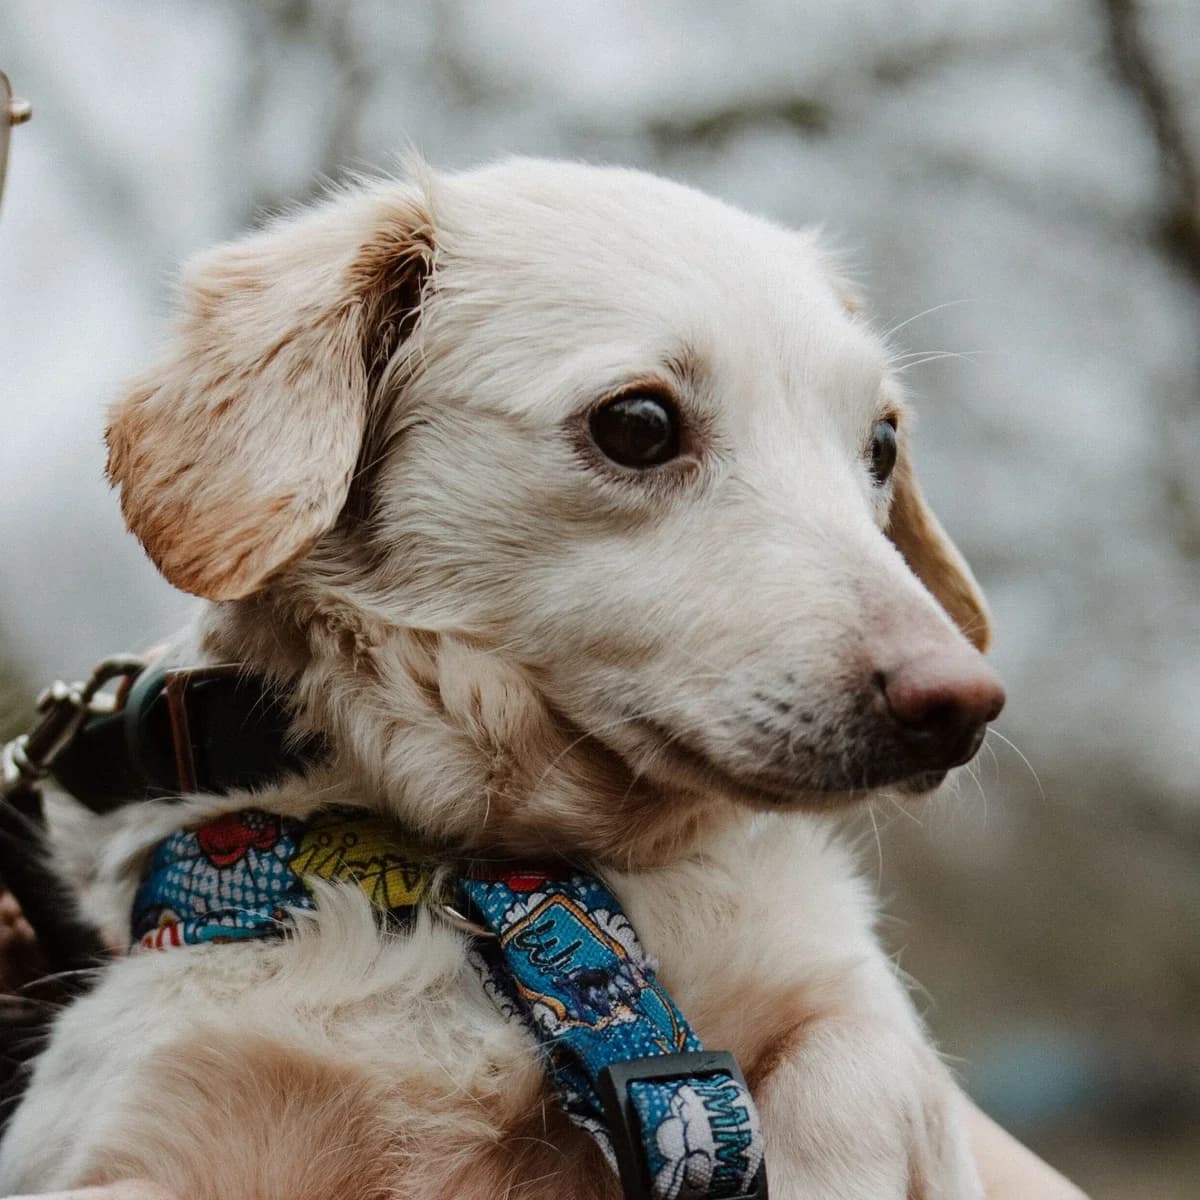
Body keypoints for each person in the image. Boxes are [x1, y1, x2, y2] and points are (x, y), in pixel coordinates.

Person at [0, 68, 1084, 1198]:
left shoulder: (798, 983)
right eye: (640, 429)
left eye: (872, 451)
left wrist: (845, 1087)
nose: (931, 661)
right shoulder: (186, 926)